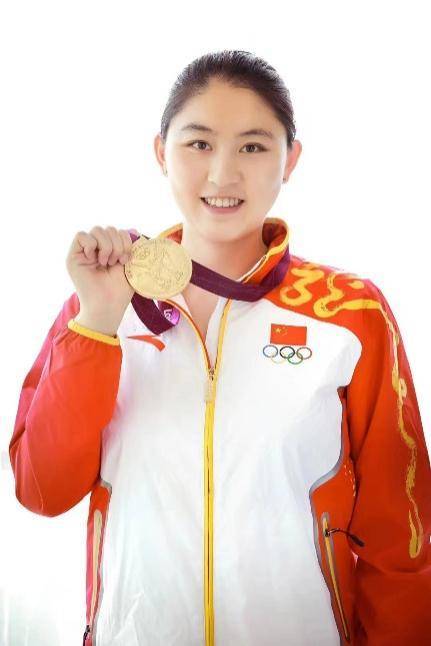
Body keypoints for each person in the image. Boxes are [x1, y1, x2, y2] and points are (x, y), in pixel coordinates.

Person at [9, 49, 431, 646]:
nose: (222, 174)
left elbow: (401, 541)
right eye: (199, 143)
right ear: (162, 152)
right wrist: (98, 320)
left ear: (291, 159)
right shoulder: (96, 309)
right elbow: (42, 491)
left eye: (253, 146)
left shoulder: (348, 314)